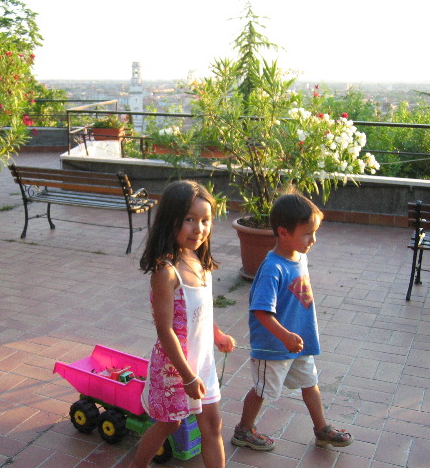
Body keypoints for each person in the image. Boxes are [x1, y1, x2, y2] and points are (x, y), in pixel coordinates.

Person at [231, 191, 353, 451]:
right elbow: (260, 311)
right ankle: (243, 430)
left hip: (299, 343)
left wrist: (294, 336)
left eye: (314, 232)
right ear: (283, 233)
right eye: (307, 233)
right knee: (262, 390)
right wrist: (284, 336)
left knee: (310, 384)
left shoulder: (300, 257)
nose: (313, 240)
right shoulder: (272, 268)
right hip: (274, 346)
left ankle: (321, 429)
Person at [129, 180, 235, 468]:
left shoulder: (199, 261)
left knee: (212, 425)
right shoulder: (166, 272)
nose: (198, 229)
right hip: (174, 368)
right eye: (189, 219)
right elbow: (165, 330)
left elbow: (200, 312)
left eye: (205, 220)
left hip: (202, 363)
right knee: (170, 424)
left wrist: (217, 334)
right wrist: (187, 376)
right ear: (171, 220)